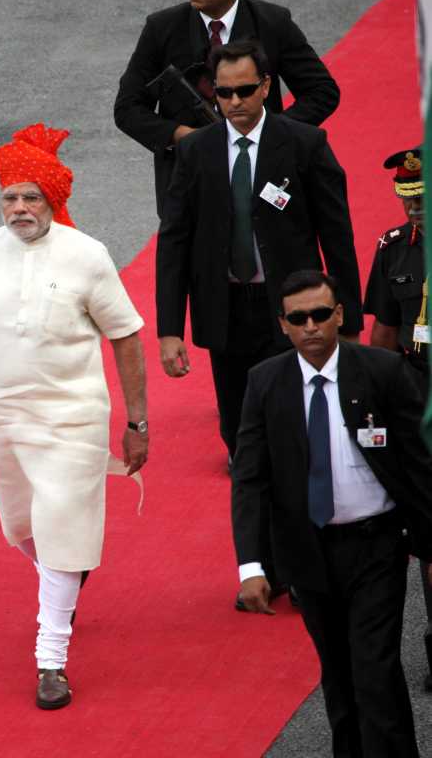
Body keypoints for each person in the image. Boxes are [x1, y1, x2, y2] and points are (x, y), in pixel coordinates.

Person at [0, 123, 148, 710]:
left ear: (53, 200)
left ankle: (51, 659)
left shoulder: (87, 255)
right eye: (10, 197)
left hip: (73, 420)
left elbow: (125, 336)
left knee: (58, 531)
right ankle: (66, 577)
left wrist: (138, 421)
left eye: (32, 197)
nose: (19, 208)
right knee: (22, 529)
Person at [156, 41, 362, 597]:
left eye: (246, 90)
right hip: (226, 317)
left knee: (293, 438)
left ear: (267, 86)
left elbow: (336, 235)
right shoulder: (197, 151)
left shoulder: (303, 143)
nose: (236, 102)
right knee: (242, 440)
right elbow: (174, 241)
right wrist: (170, 329)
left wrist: (349, 322)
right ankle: (261, 563)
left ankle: (297, 564)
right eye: (224, 93)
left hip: (295, 320)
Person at [232, 270, 432, 757]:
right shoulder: (265, 383)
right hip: (307, 552)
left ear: (339, 314)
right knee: (338, 674)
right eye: (298, 318)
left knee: (374, 669)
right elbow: (251, 479)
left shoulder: (382, 372)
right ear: (283, 324)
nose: (312, 327)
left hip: (377, 546)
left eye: (321, 314)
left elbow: (419, 466)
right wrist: (252, 566)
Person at [114, 0, 339, 215]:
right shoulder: (161, 28)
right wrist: (182, 136)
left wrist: (270, 134)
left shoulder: (273, 23)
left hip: (264, 176)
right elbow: (127, 109)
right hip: (190, 186)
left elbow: (322, 92)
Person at [364, 146, 432, 691]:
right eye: (407, 201)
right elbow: (383, 336)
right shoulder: (392, 250)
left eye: (423, 200)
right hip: (414, 395)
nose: (414, 211)